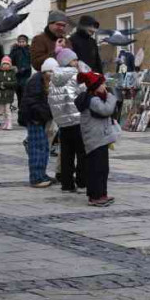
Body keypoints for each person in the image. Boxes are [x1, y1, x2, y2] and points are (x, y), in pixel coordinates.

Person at [75, 71, 120, 207]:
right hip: (95, 139)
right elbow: (106, 110)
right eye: (102, 84)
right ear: (95, 86)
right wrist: (112, 97)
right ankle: (94, 196)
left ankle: (102, 193)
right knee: (96, 169)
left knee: (103, 168)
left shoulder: (97, 97)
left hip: (101, 138)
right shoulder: (92, 100)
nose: (105, 86)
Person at [49, 49, 85, 193]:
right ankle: (82, 181)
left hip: (62, 122)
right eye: (74, 60)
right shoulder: (76, 76)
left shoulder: (53, 79)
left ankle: (66, 183)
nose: (76, 63)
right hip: (77, 120)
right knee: (82, 153)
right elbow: (84, 93)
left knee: (66, 154)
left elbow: (51, 100)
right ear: (67, 62)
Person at [19, 57, 56, 187]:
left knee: (44, 147)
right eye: (50, 71)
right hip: (34, 118)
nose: (52, 75)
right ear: (45, 71)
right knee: (37, 148)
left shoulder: (46, 81)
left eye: (54, 72)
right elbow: (33, 103)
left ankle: (42, 173)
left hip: (41, 118)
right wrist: (44, 114)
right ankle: (36, 178)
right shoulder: (36, 81)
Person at [0, 55, 18, 130]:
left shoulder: (12, 73)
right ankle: (5, 123)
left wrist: (5, 84)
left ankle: (10, 123)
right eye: (4, 64)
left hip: (8, 95)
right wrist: (0, 85)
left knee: (8, 110)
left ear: (10, 65)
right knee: (3, 111)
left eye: (7, 64)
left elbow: (14, 83)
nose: (5, 65)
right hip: (1, 95)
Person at [9, 34, 32, 107]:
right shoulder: (15, 50)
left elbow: (30, 61)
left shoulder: (29, 50)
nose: (21, 43)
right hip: (16, 74)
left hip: (26, 73)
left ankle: (24, 106)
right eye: (20, 42)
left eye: (23, 42)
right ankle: (20, 106)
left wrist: (25, 68)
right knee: (18, 91)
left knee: (24, 91)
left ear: (26, 42)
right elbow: (10, 60)